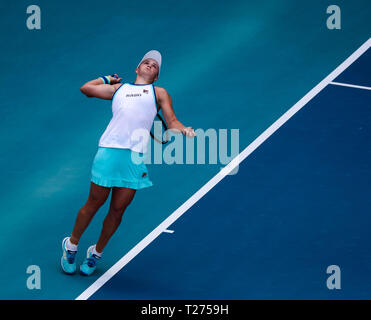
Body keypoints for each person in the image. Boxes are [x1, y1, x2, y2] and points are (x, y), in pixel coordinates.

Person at [61, 50, 196, 276]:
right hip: (109, 152)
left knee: (117, 210)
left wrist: (184, 129)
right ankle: (71, 245)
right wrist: (107, 79)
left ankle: (96, 253)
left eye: (155, 66)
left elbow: (171, 121)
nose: (150, 65)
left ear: (156, 76)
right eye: (146, 62)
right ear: (137, 68)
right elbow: (86, 89)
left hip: (133, 158)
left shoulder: (159, 92)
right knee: (94, 204)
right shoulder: (118, 89)